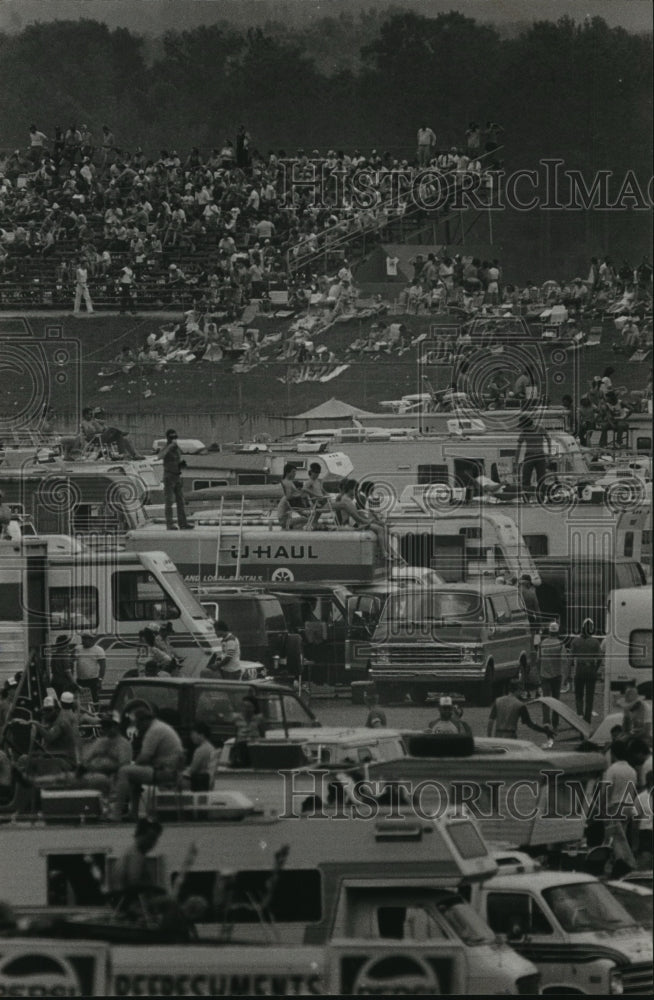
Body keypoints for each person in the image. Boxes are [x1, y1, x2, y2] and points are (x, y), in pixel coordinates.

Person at [112, 706, 185, 821]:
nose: (137, 727)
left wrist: (133, 765)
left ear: (144, 721)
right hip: (170, 769)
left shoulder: (153, 731)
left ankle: (116, 813)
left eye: (137, 723)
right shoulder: (160, 727)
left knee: (124, 771)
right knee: (132, 774)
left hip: (164, 771)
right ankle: (133, 813)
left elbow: (145, 757)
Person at [15, 696, 77, 773]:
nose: (46, 712)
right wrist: (25, 722)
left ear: (57, 710)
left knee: (43, 764)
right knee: (23, 758)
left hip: (66, 761)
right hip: (53, 757)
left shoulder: (61, 722)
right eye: (44, 710)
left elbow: (49, 737)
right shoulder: (52, 720)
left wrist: (36, 724)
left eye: (49, 710)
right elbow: (44, 728)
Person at [333, 479, 392, 560]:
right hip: (352, 523)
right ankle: (384, 553)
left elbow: (357, 513)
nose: (356, 492)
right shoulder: (346, 500)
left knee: (382, 528)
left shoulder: (348, 499)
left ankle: (387, 551)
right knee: (380, 529)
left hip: (355, 522)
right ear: (350, 489)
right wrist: (368, 521)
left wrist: (371, 521)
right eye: (355, 490)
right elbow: (355, 516)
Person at [604, 738, 638, 875]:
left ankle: (625, 863)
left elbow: (607, 790)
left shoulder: (612, 770)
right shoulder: (632, 770)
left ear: (613, 754)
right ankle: (622, 863)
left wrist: (604, 808)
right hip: (628, 806)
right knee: (622, 835)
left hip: (615, 805)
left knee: (615, 838)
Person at [79, 710, 132, 792]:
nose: (105, 728)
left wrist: (104, 767)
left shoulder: (124, 744)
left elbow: (123, 767)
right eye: (104, 725)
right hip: (92, 776)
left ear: (116, 726)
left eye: (108, 725)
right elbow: (86, 760)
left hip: (112, 779)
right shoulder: (100, 741)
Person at [487, 678, 554, 740]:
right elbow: (530, 724)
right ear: (518, 689)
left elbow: (490, 721)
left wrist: (489, 738)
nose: (522, 692)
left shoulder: (498, 701)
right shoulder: (520, 705)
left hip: (498, 735)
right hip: (511, 736)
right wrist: (545, 731)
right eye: (522, 690)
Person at [112, 818, 163, 893]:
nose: (153, 843)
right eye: (150, 838)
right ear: (139, 835)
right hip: (134, 901)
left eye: (155, 839)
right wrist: (156, 890)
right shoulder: (135, 854)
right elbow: (134, 883)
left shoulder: (132, 852)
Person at [570, 618, 602, 723]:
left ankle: (579, 715)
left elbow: (570, 659)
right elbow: (600, 659)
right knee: (589, 697)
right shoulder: (595, 642)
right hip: (590, 669)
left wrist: (570, 673)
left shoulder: (575, 641)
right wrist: (595, 669)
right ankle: (587, 720)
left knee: (579, 695)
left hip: (579, 669)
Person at [159, 428, 192, 531]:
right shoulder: (166, 448)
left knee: (180, 501)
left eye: (175, 437)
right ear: (168, 438)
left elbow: (177, 460)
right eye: (172, 437)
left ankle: (183, 523)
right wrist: (170, 446)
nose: (174, 439)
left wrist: (181, 465)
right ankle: (169, 524)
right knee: (169, 501)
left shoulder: (177, 448)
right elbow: (160, 456)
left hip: (177, 476)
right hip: (169, 477)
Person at [516, 414, 550, 502]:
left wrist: (516, 461)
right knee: (540, 478)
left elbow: (519, 446)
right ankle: (540, 498)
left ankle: (527, 498)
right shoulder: (539, 428)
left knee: (527, 478)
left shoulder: (524, 431)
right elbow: (548, 439)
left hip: (530, 456)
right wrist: (549, 454)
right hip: (540, 455)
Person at [538, 621, 565, 731]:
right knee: (556, 700)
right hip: (556, 675)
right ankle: (555, 723)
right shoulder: (560, 644)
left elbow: (538, 659)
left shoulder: (542, 643)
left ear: (549, 631)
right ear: (557, 632)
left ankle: (546, 722)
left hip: (544, 674)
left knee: (546, 699)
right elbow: (564, 660)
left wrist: (539, 671)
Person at [74, 632, 106, 706]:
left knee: (94, 700)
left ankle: (95, 715)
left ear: (91, 640)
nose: (83, 640)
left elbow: (103, 666)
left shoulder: (99, 650)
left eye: (85, 639)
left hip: (93, 680)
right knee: (81, 701)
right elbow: (71, 661)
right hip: (80, 680)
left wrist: (100, 680)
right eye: (82, 638)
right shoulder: (78, 648)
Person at [182, 722, 215, 791]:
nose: (191, 737)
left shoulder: (201, 750)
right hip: (206, 781)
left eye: (193, 734)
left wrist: (181, 772)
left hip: (198, 782)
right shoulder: (210, 747)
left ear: (201, 735)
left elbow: (192, 770)